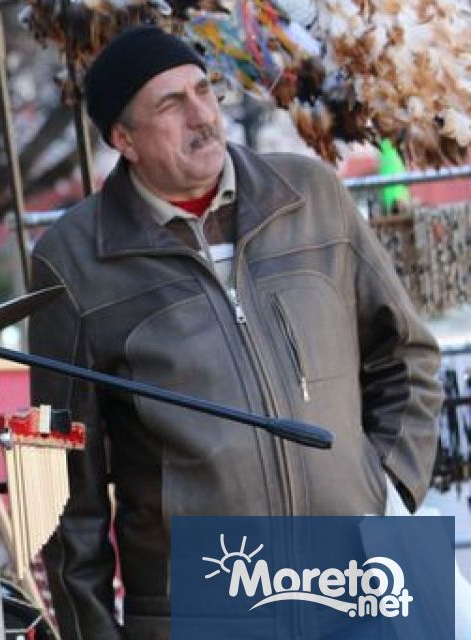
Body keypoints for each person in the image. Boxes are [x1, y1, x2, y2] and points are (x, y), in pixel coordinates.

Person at [27, 26, 442, 640]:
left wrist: (386, 488)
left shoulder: (312, 196)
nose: (201, 116)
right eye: (171, 104)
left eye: (204, 91)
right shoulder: (73, 259)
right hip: (203, 598)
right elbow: (64, 481)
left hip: (357, 574)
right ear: (124, 139)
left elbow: (406, 354)